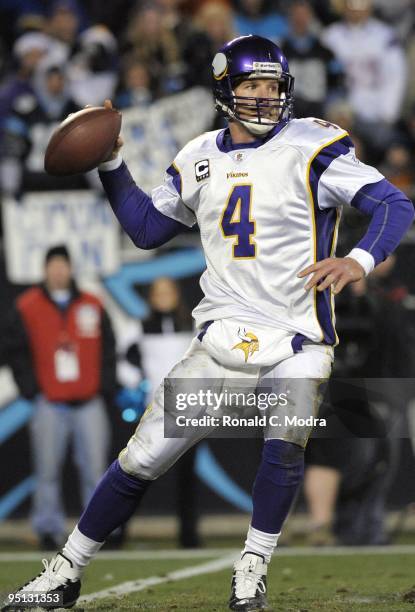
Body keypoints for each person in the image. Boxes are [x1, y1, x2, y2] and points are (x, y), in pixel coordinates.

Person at [3, 34, 414, 612]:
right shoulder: (199, 155)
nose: (264, 97)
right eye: (251, 86)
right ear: (225, 90)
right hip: (221, 339)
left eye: (272, 86)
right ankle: (65, 571)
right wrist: (113, 164)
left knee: (285, 442)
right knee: (140, 460)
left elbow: (396, 205)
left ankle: (252, 569)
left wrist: (358, 258)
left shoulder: (314, 146)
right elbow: (146, 230)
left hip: (297, 339)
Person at [5, 245, 116, 551]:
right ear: (45, 270)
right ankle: (48, 529)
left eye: (62, 265)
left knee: (96, 470)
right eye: (52, 265)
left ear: (70, 269)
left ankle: (97, 531)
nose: (58, 271)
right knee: (47, 469)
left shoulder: (92, 304)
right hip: (49, 403)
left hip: (88, 401)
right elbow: (15, 349)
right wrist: (31, 388)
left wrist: (103, 385)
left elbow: (108, 347)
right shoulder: (27, 305)